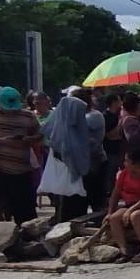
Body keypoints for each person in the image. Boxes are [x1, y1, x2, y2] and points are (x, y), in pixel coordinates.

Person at [0, 87, 42, 224]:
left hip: (22, 169)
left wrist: (27, 139)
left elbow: (39, 134)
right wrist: (1, 141)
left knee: (25, 211)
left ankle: (28, 240)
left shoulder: (28, 116)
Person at [41, 93, 98, 221]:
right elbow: (71, 152)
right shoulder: (64, 135)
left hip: (74, 178)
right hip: (70, 177)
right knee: (68, 210)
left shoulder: (69, 131)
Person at [101, 92, 124, 198]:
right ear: (114, 102)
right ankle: (108, 194)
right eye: (119, 100)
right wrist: (120, 124)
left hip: (120, 148)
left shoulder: (119, 115)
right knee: (110, 172)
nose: (121, 103)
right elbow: (109, 135)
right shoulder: (105, 116)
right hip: (110, 149)